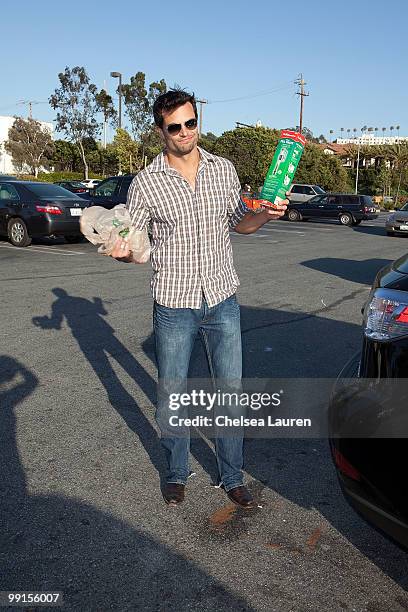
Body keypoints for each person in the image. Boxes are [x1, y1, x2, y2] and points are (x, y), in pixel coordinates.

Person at [111, 88, 287, 507]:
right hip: (174, 303)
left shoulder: (222, 169)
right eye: (175, 126)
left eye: (191, 122)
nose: (186, 132)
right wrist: (122, 250)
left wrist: (266, 215)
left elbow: (239, 224)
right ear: (160, 131)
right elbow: (130, 241)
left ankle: (231, 475)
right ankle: (175, 471)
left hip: (222, 297)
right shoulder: (145, 184)